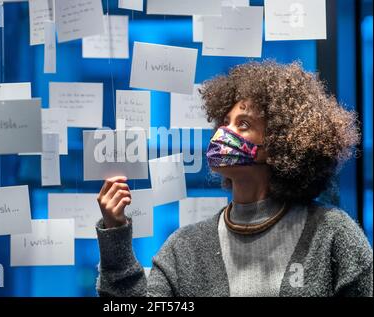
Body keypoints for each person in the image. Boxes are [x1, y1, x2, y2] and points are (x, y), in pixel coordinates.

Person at [94, 60, 373, 297]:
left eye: (243, 124)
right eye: (224, 123)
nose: (223, 135)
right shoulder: (185, 248)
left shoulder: (332, 234)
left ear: (281, 144)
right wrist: (115, 233)